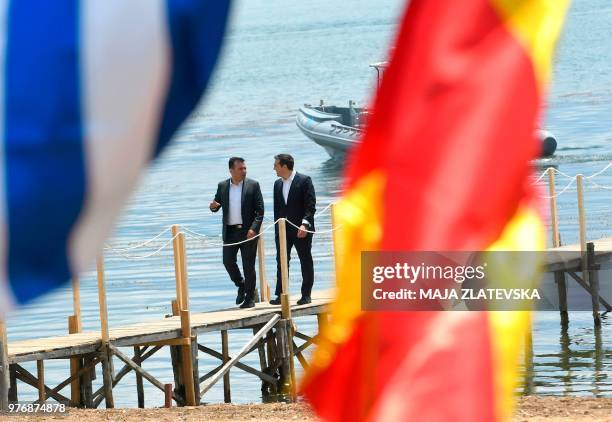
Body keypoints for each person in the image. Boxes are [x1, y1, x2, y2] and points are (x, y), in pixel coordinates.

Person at [210, 157, 264, 308]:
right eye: (240, 169)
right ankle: (241, 284)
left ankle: (250, 298)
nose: (244, 171)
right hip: (230, 232)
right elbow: (216, 205)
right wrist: (213, 206)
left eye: (245, 168)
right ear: (231, 170)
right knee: (228, 261)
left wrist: (254, 228)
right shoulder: (222, 186)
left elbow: (260, 211)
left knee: (248, 265)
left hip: (248, 232)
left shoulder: (253, 185)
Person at [270, 154, 316, 305]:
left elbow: (310, 206)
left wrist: (305, 224)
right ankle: (281, 295)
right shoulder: (277, 184)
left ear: (284, 166)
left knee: (305, 260)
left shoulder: (304, 180)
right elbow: (277, 210)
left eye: (276, 165)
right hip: (283, 230)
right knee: (281, 261)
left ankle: (306, 294)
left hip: (301, 229)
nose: (274, 168)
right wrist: (277, 230)